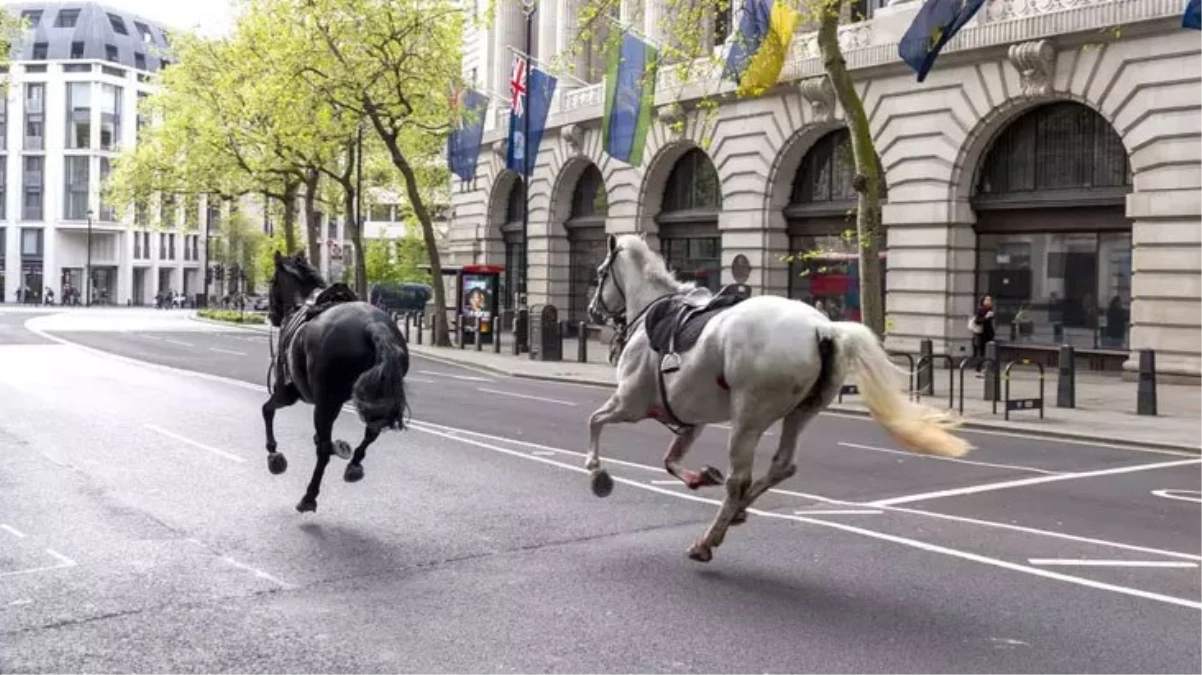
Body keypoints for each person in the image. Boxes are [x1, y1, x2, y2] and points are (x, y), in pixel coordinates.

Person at [969, 295, 995, 377]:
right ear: (983, 301)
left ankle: (986, 369)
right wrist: (986, 317)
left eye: (990, 300)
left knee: (988, 353)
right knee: (981, 353)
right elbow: (978, 321)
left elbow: (989, 323)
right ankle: (978, 370)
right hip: (980, 335)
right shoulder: (980, 310)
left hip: (988, 335)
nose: (989, 301)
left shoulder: (990, 310)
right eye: (987, 300)